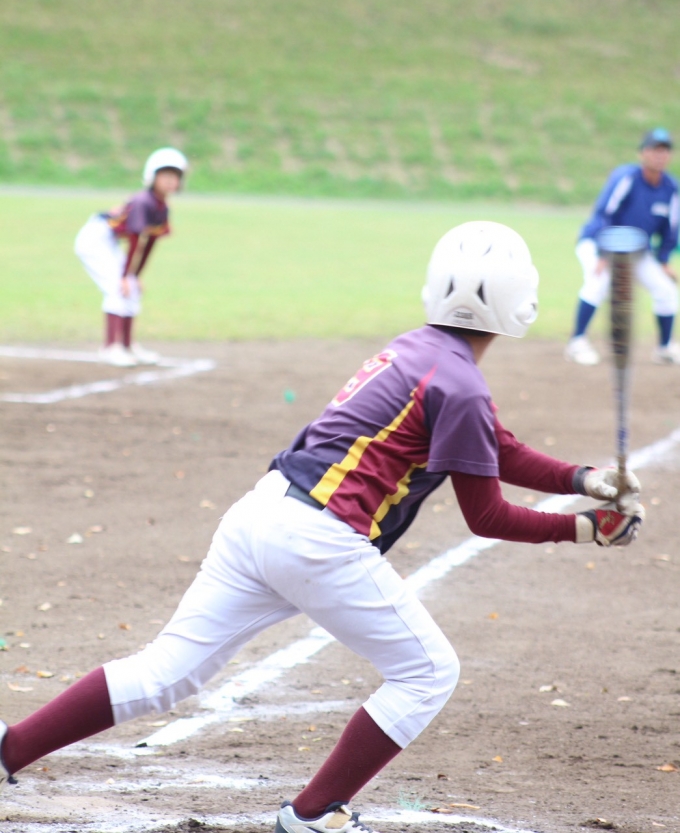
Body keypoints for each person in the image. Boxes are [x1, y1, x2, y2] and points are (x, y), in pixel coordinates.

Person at [0, 221, 645, 833]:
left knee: (165, 672)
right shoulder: (463, 385)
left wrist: (584, 478)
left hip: (259, 515)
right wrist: (588, 529)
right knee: (428, 673)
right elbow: (487, 516)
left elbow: (493, 446)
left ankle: (9, 748)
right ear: (519, 301)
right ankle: (314, 812)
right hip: (318, 542)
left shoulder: (415, 349)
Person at [565, 128, 679, 366]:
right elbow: (604, 214)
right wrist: (602, 254)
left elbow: (670, 230)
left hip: (636, 251)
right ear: (642, 153)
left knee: (666, 289)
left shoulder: (671, 188)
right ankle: (577, 342)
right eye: (654, 149)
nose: (660, 155)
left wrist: (663, 260)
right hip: (597, 243)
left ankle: (664, 348)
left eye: (665, 150)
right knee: (599, 281)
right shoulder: (627, 177)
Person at [74, 148, 188, 367]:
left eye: (175, 176)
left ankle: (127, 345)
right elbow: (136, 241)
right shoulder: (143, 201)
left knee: (131, 287)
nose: (170, 180)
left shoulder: (162, 207)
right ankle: (110, 348)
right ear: (152, 176)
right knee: (117, 287)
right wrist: (126, 276)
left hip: (109, 241)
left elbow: (149, 244)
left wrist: (134, 276)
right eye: (165, 175)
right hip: (94, 237)